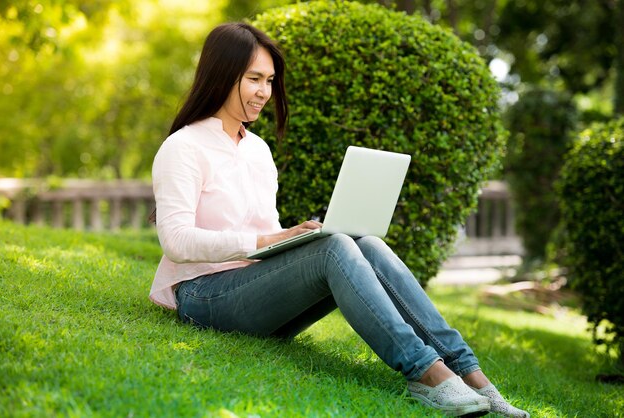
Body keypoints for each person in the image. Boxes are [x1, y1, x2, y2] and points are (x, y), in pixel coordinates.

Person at [149, 22, 530, 418]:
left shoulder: (257, 150)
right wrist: (266, 241)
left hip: (253, 292)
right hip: (202, 296)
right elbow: (176, 240)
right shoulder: (184, 147)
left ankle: (471, 375)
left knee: (365, 243)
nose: (265, 92)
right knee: (333, 248)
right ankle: (428, 375)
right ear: (223, 75)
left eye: (270, 81)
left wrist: (291, 239)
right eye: (254, 79)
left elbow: (263, 230)